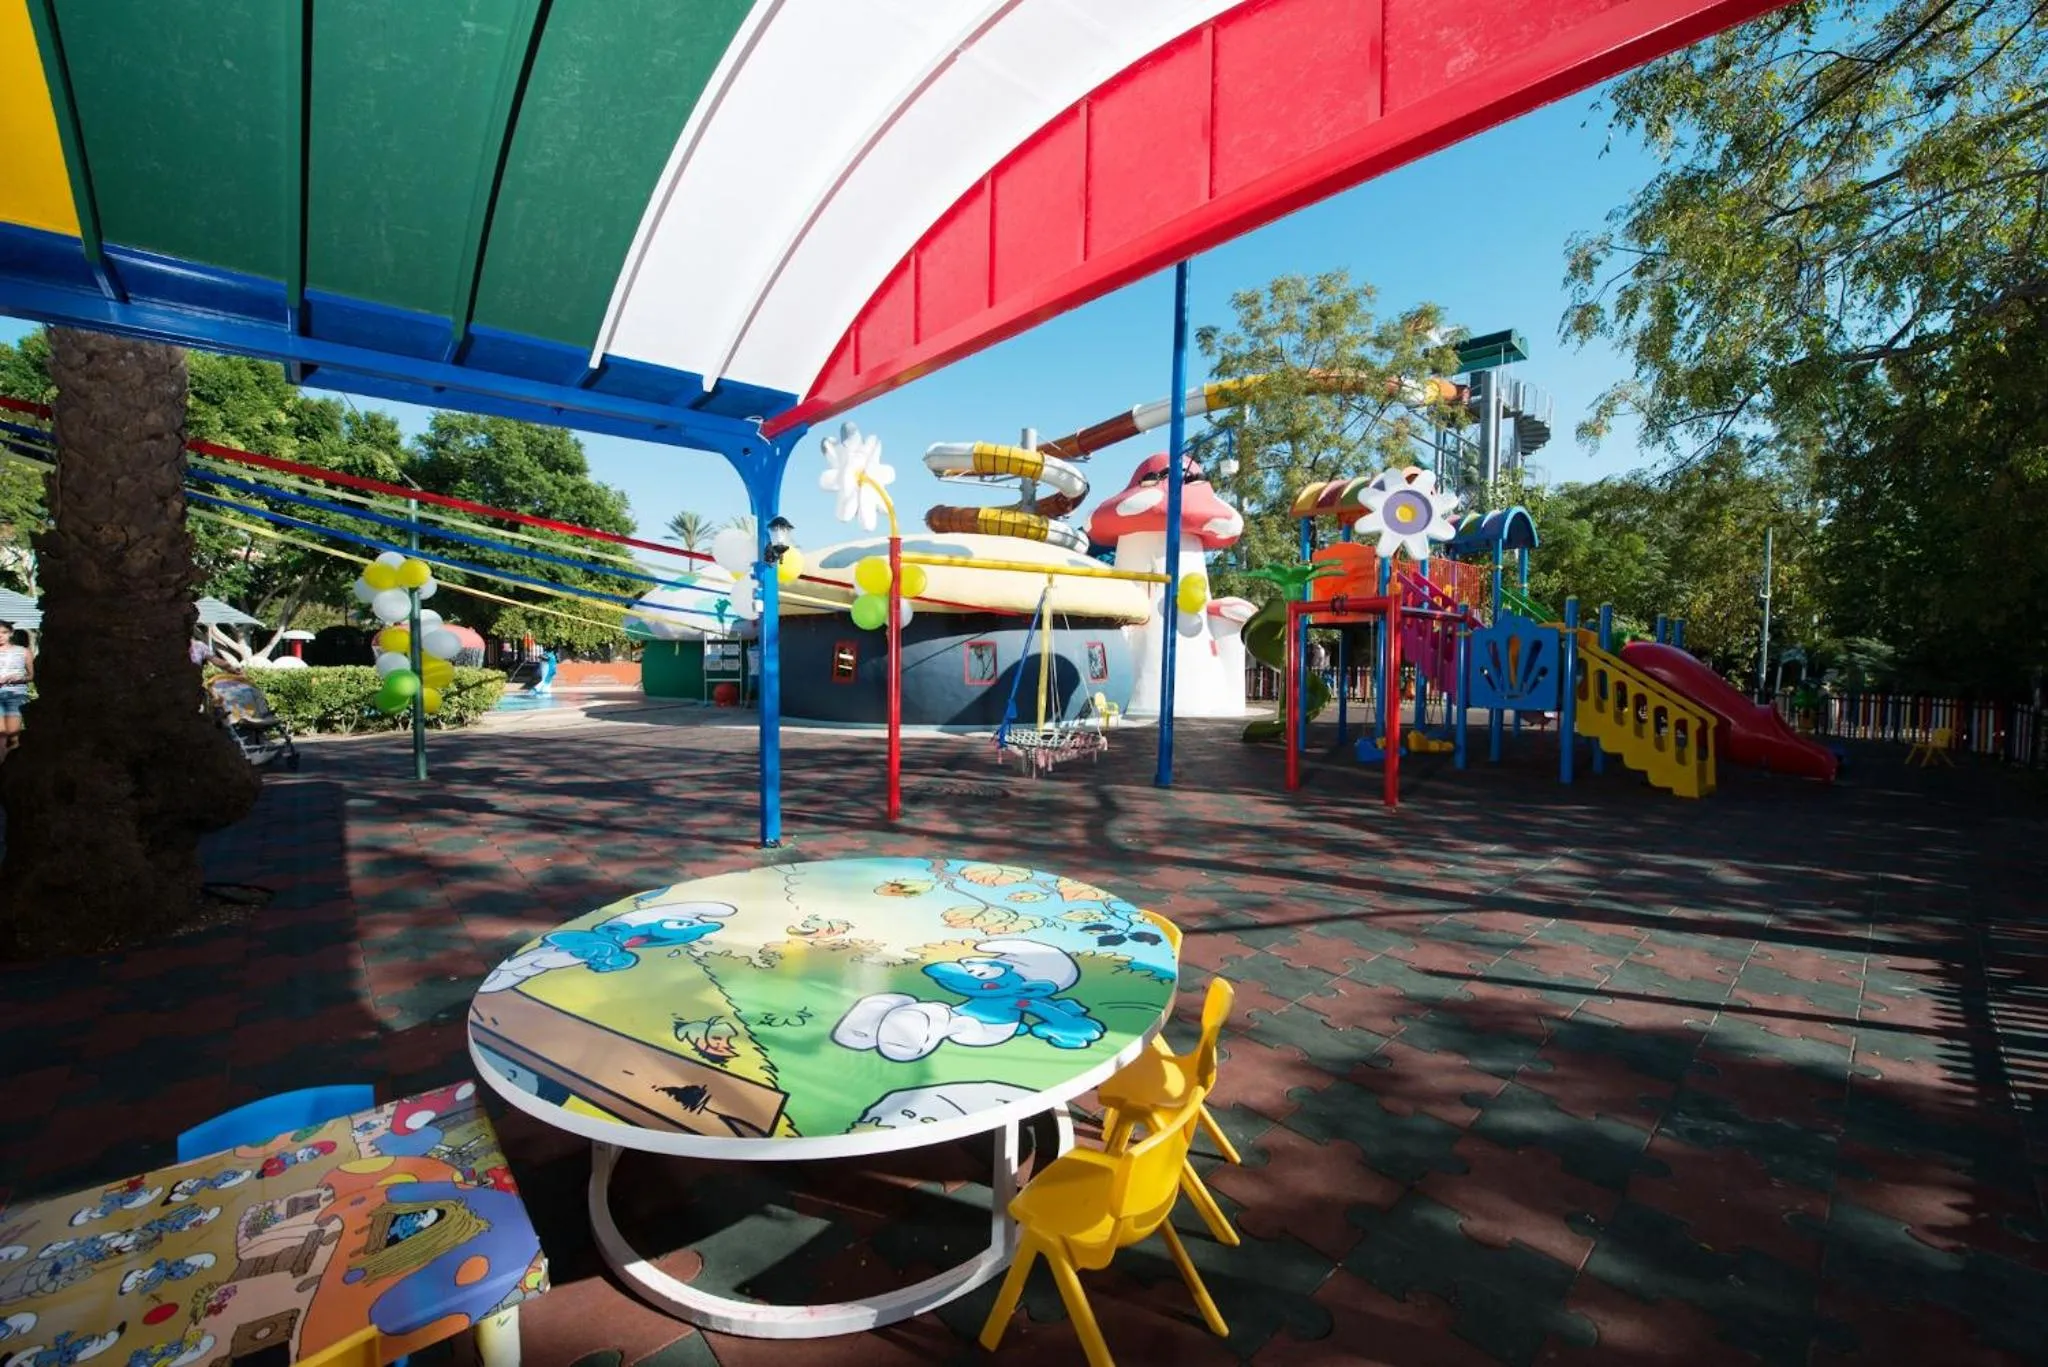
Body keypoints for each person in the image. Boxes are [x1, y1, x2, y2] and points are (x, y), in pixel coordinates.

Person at [0, 627, 33, 757]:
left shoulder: (24, 653)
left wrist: (17, 678)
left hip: (15, 694)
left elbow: (30, 676)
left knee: (12, 735)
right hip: (12, 694)